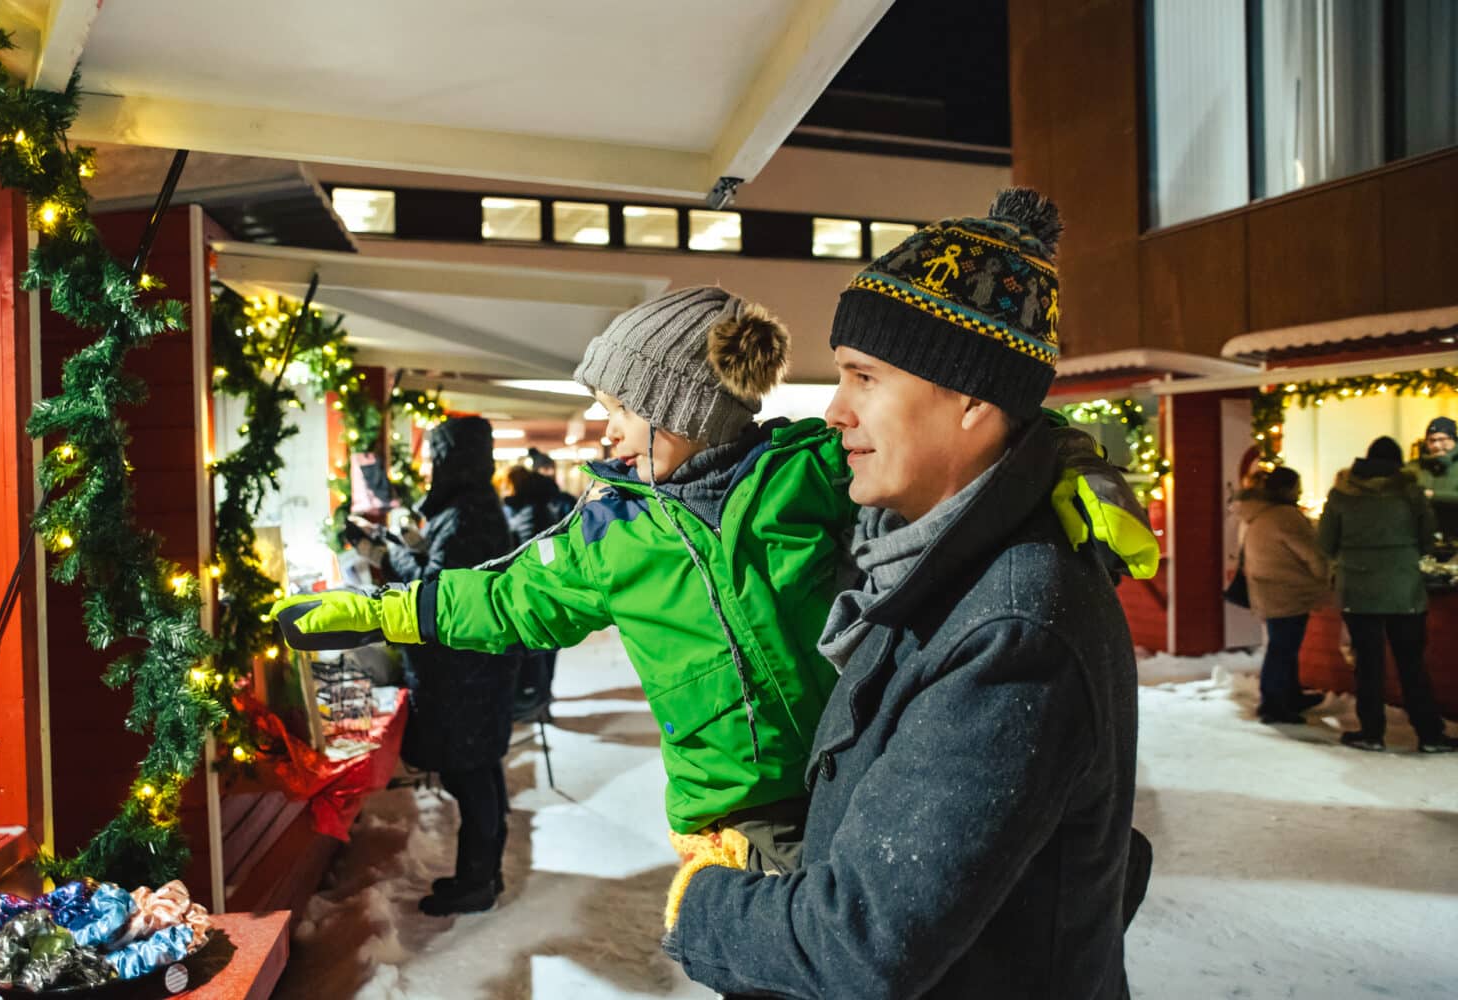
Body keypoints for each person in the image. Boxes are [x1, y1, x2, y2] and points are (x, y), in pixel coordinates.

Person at [273, 280, 1155, 883]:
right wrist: (379, 610)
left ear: (680, 411)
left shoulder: (806, 472)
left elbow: (977, 448)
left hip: (850, 773)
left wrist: (1081, 476)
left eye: (617, 407)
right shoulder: (608, 532)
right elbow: (499, 597)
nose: (600, 427)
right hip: (732, 809)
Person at [661, 189, 1142, 998]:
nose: (834, 409)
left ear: (973, 400)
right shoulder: (921, 557)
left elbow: (858, 947)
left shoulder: (1011, 624)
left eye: (865, 376)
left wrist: (697, 903)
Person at [379, 416, 523, 914]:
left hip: (465, 676)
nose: (430, 468)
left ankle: (478, 883)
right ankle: (481, 875)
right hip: (473, 673)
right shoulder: (475, 506)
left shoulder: (465, 514)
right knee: (479, 775)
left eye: (435, 458)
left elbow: (437, 593)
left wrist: (392, 555)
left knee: (472, 779)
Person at [1319, 436, 1456, 753]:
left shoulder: (1341, 493)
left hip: (1358, 590)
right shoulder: (1410, 492)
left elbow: (1325, 543)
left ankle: (1371, 733)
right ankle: (1429, 734)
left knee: (1368, 664)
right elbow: (1427, 541)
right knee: (1412, 664)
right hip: (1403, 590)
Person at [1230, 466, 1331, 723]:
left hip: (1267, 588)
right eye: (1297, 487)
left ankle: (1289, 694)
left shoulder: (1256, 513)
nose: (1299, 492)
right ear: (1287, 489)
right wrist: (1325, 575)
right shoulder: (1285, 516)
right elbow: (1311, 553)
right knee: (1282, 648)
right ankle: (1274, 702)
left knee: (1282, 645)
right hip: (1288, 590)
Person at [501, 464, 565, 716]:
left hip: (538, 591)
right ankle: (542, 699)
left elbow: (530, 552)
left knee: (540, 652)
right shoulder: (536, 507)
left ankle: (540, 702)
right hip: (545, 591)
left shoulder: (530, 511)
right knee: (545, 651)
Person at [1408, 416, 1458, 503]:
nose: (1436, 445)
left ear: (1453, 440)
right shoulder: (1413, 467)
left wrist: (1434, 496)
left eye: (1442, 440)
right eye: (1431, 440)